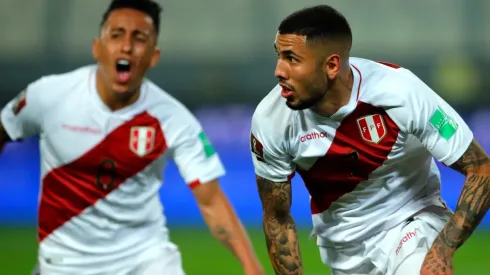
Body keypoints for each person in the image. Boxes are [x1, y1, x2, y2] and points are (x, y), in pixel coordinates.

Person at [0, 0, 264, 274]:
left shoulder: (173, 119)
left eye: (139, 38)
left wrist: (252, 267)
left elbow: (211, 201)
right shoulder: (49, 96)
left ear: (153, 56)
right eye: (116, 35)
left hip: (145, 262)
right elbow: (4, 128)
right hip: (63, 264)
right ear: (97, 47)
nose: (126, 46)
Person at [250, 4, 489, 275]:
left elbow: (481, 169)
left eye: (291, 59)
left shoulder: (400, 92)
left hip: (412, 222)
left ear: (331, 65)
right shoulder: (271, 120)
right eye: (278, 56)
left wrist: (441, 250)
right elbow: (277, 217)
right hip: (344, 253)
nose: (279, 71)